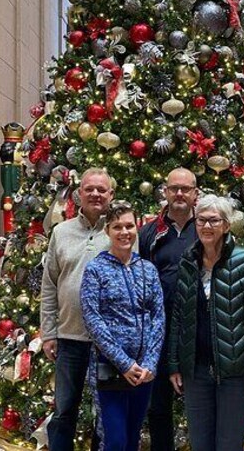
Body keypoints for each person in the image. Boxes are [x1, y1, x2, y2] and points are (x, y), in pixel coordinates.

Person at [167, 195, 244, 451]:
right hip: (196, 371)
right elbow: (179, 315)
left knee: (228, 443)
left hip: (235, 372)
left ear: (226, 225)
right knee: (201, 443)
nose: (206, 226)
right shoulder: (188, 261)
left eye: (214, 220)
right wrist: (174, 364)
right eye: (201, 220)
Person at [81, 201, 165, 451]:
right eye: (117, 227)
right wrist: (124, 363)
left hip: (144, 371)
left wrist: (150, 362)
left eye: (129, 226)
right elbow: (92, 319)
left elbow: (158, 316)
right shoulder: (96, 269)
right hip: (111, 368)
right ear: (107, 231)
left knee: (132, 436)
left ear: (137, 228)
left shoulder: (147, 269)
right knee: (114, 439)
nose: (124, 232)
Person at [40, 168, 114, 451]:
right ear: (79, 193)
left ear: (111, 195)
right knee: (64, 409)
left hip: (107, 341)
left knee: (104, 412)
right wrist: (49, 333)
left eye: (102, 190)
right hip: (69, 338)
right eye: (89, 189)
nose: (95, 194)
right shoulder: (61, 232)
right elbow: (49, 286)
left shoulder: (120, 232)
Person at [138, 168, 198, 451]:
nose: (179, 194)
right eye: (174, 188)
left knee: (200, 403)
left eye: (185, 189)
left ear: (195, 193)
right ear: (165, 191)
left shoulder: (207, 228)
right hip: (159, 332)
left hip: (197, 331)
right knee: (159, 404)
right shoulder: (149, 233)